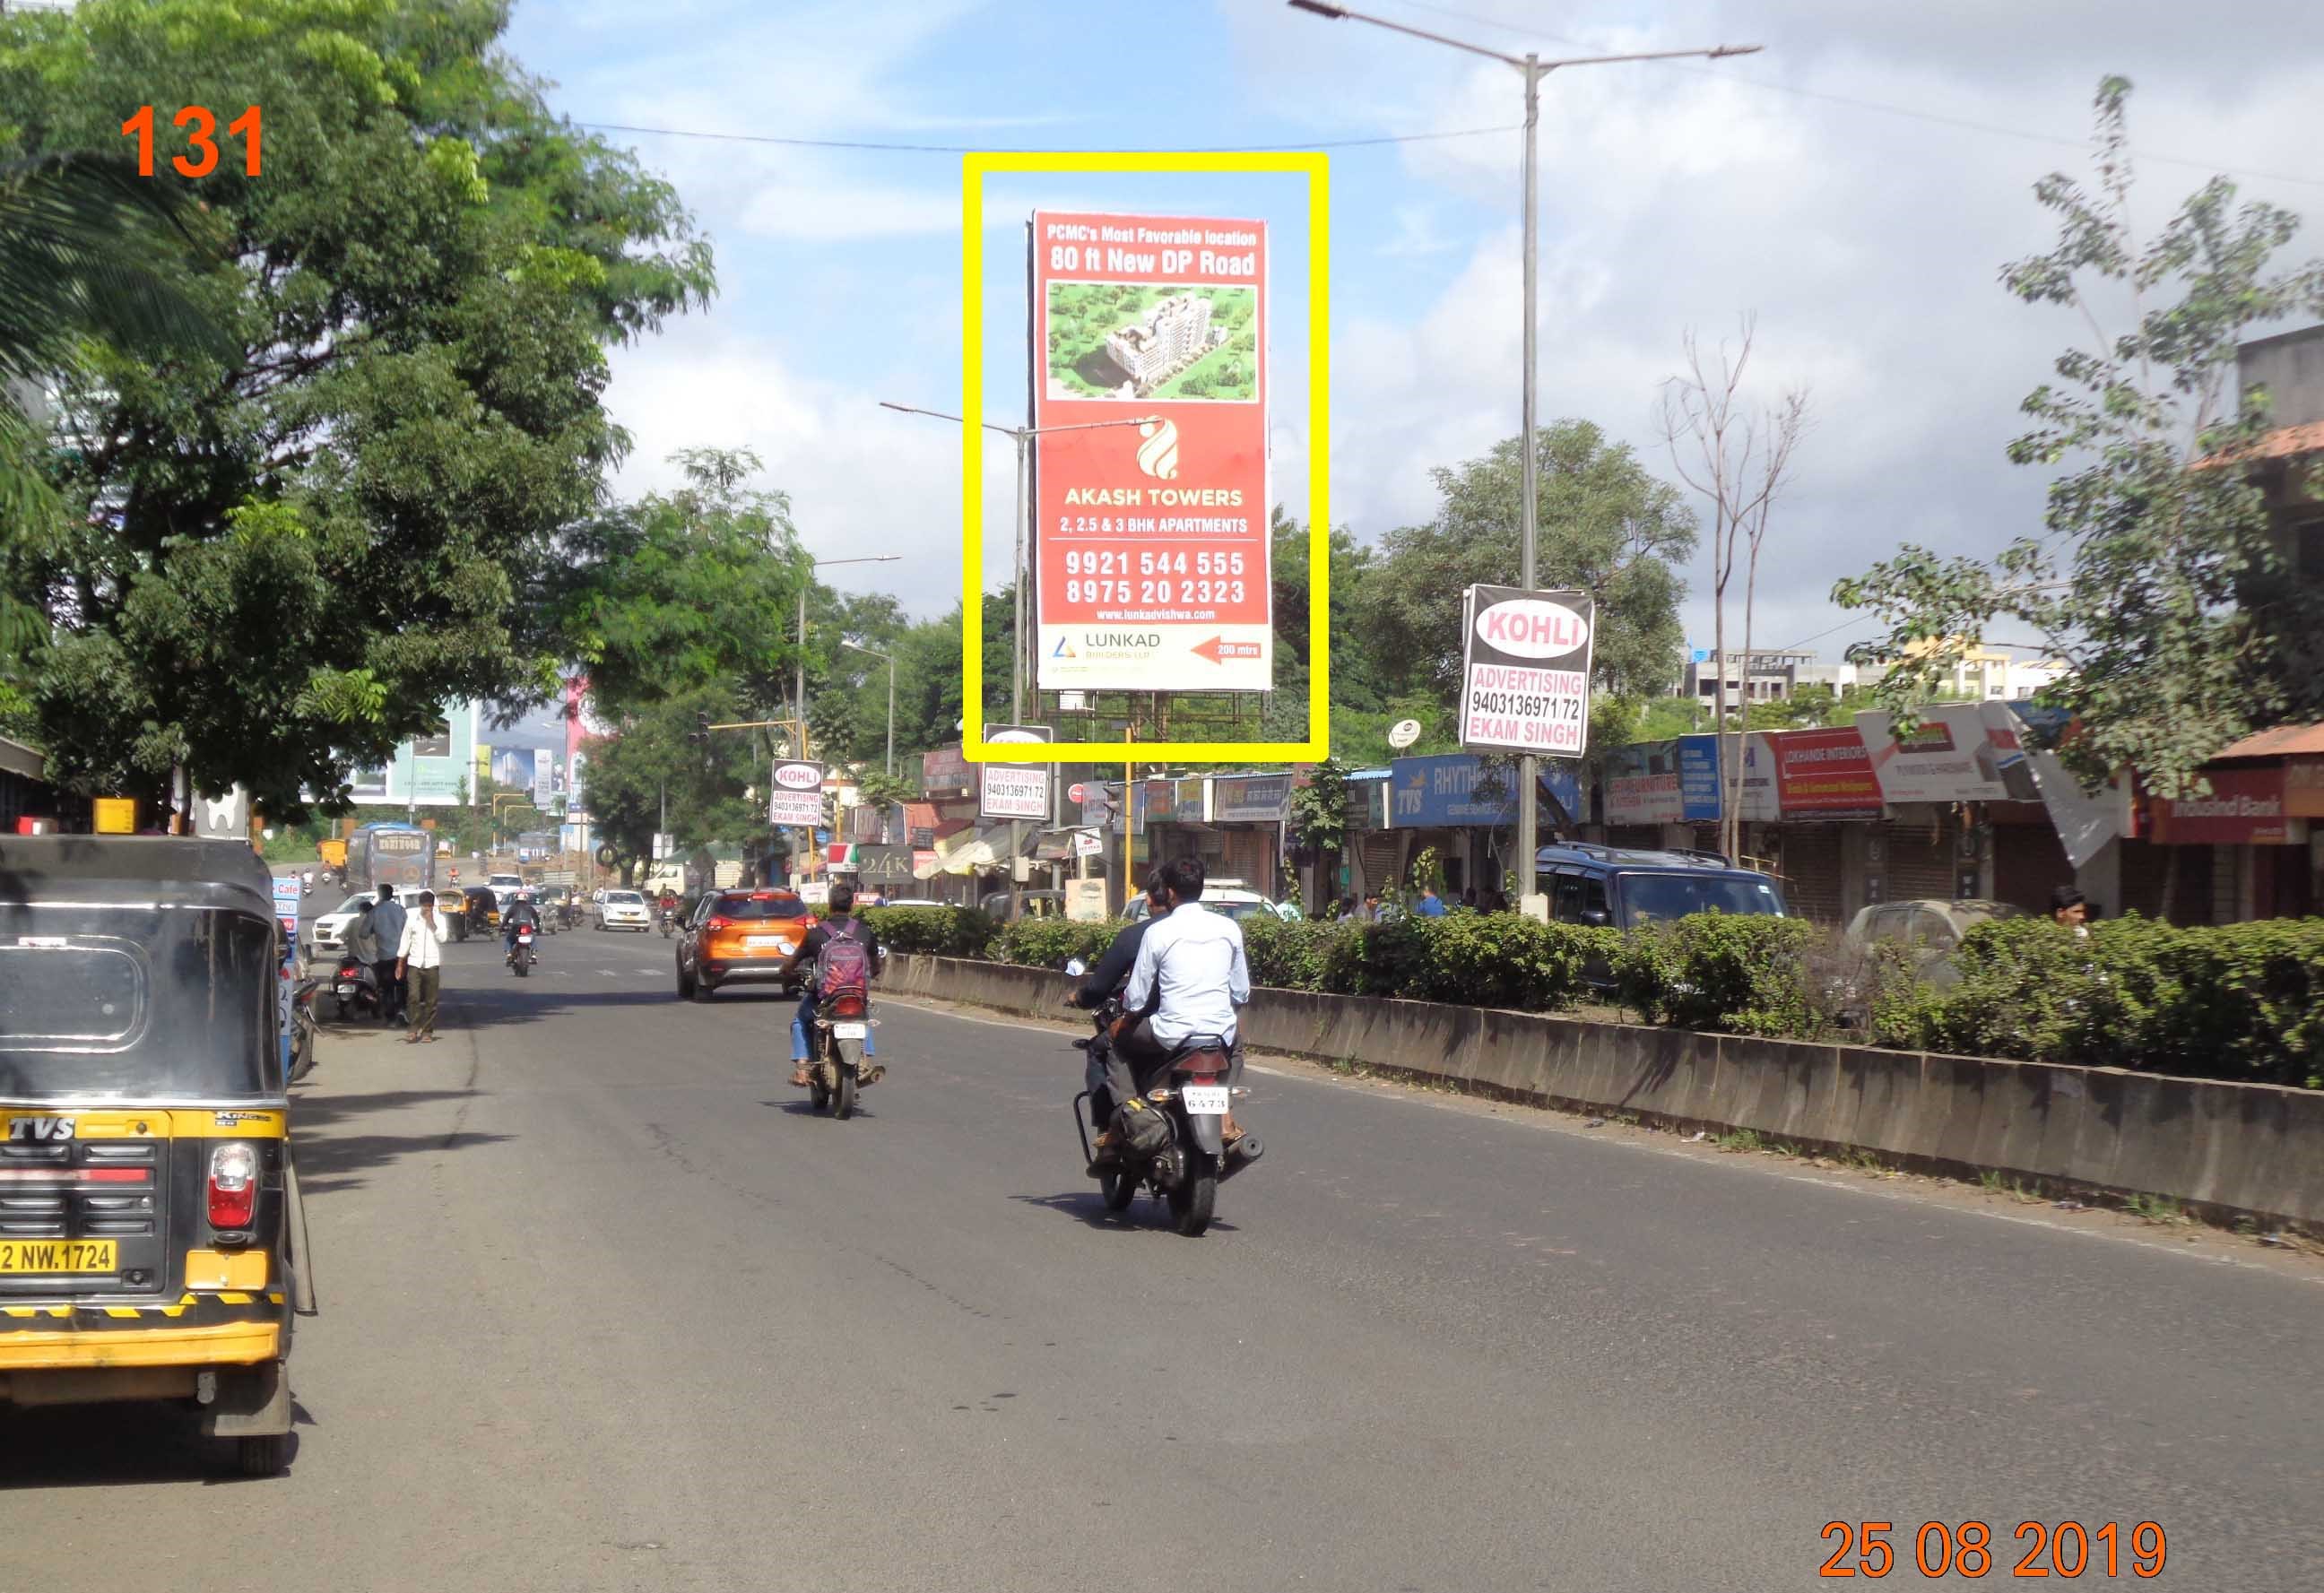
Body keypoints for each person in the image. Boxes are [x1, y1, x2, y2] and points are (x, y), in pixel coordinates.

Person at [1099, 856, 1251, 1158]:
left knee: (1114, 1045)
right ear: (1201, 888)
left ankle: (1134, 1120)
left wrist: (1124, 1022)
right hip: (1217, 1036)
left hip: (1170, 1035)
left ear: (1168, 893)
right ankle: (1224, 1116)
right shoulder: (1229, 928)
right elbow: (1241, 990)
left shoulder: (1158, 932)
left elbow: (1137, 997)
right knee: (1236, 1047)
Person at [1072, 870, 1171, 1133]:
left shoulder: (1144, 935)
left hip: (1161, 1027)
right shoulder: (1216, 933)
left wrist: (1080, 998)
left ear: (1150, 900)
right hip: (1213, 1030)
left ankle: (1112, 1129)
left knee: (1102, 1046)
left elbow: (1124, 994)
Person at [782, 882, 882, 1088]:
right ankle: (866, 1062)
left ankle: (802, 1069)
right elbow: (875, 966)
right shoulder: (863, 931)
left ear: (829, 905)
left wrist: (786, 971)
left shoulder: (816, 933)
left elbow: (793, 962)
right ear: (851, 906)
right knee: (862, 1017)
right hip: (855, 996)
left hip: (824, 998)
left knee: (800, 1021)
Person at [396, 889, 447, 1043]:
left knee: (431, 1000)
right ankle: (412, 1029)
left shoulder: (440, 919)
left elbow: (443, 938)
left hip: (432, 964)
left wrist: (431, 922)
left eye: (429, 906)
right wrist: (399, 964)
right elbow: (405, 942)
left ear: (433, 906)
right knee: (413, 997)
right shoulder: (412, 920)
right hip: (414, 964)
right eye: (424, 906)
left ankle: (427, 1031)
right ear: (420, 905)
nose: (427, 909)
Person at [370, 885, 407, 1026]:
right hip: (401, 955)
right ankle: (402, 1011)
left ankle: (391, 1017)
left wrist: (376, 930)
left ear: (380, 895)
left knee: (387, 989)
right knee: (402, 985)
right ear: (392, 895)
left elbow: (363, 932)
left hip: (384, 956)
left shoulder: (375, 912)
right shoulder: (400, 910)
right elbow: (406, 930)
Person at [503, 890, 542, 965]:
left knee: (509, 939)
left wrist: (502, 927)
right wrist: (538, 928)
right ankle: (533, 954)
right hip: (528, 926)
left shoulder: (513, 907)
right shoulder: (530, 908)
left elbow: (506, 918)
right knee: (533, 938)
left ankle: (509, 954)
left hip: (516, 926)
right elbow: (536, 918)